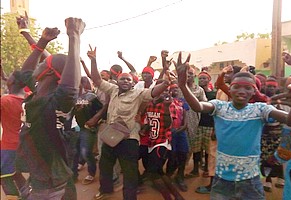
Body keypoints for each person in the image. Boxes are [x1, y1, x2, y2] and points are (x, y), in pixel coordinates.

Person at [175, 51, 291, 199]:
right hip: (222, 181)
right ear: (230, 88)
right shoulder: (220, 107)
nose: (242, 91)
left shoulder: (260, 109)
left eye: (247, 87)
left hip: (250, 181)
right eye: (237, 86)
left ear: (254, 90)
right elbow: (198, 107)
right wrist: (182, 85)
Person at [15, 17, 86, 200]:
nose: (36, 64)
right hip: (42, 176)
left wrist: (74, 36)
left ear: (48, 72)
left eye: (41, 63)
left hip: (50, 186)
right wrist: (41, 41)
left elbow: (70, 88)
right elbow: (24, 74)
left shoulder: (56, 102)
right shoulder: (39, 91)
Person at [88, 46, 170, 200]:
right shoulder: (112, 90)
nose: (125, 81)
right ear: (117, 81)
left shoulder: (138, 93)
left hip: (129, 140)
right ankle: (105, 190)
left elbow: (153, 92)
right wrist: (93, 60)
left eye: (128, 79)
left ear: (133, 83)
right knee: (105, 167)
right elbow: (97, 80)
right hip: (110, 137)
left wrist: (165, 84)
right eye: (122, 79)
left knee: (130, 172)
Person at [0, 70, 29, 200]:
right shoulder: (30, 97)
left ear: (11, 82)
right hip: (26, 144)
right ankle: (26, 194)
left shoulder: (5, 101)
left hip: (9, 145)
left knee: (4, 176)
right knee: (16, 173)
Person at [195, 70, 217, 194]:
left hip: (209, 124)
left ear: (209, 80)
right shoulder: (196, 93)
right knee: (197, 148)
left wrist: (215, 127)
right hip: (198, 124)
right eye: (200, 78)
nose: (202, 80)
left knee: (209, 150)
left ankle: (207, 170)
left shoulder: (214, 94)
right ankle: (195, 168)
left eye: (204, 78)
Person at [165, 82, 189, 192]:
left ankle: (180, 176)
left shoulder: (182, 102)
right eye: (173, 88)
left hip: (180, 132)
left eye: (177, 88)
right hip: (169, 132)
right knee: (172, 154)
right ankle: (168, 176)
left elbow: (185, 118)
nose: (175, 90)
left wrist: (182, 128)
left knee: (183, 154)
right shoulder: (166, 101)